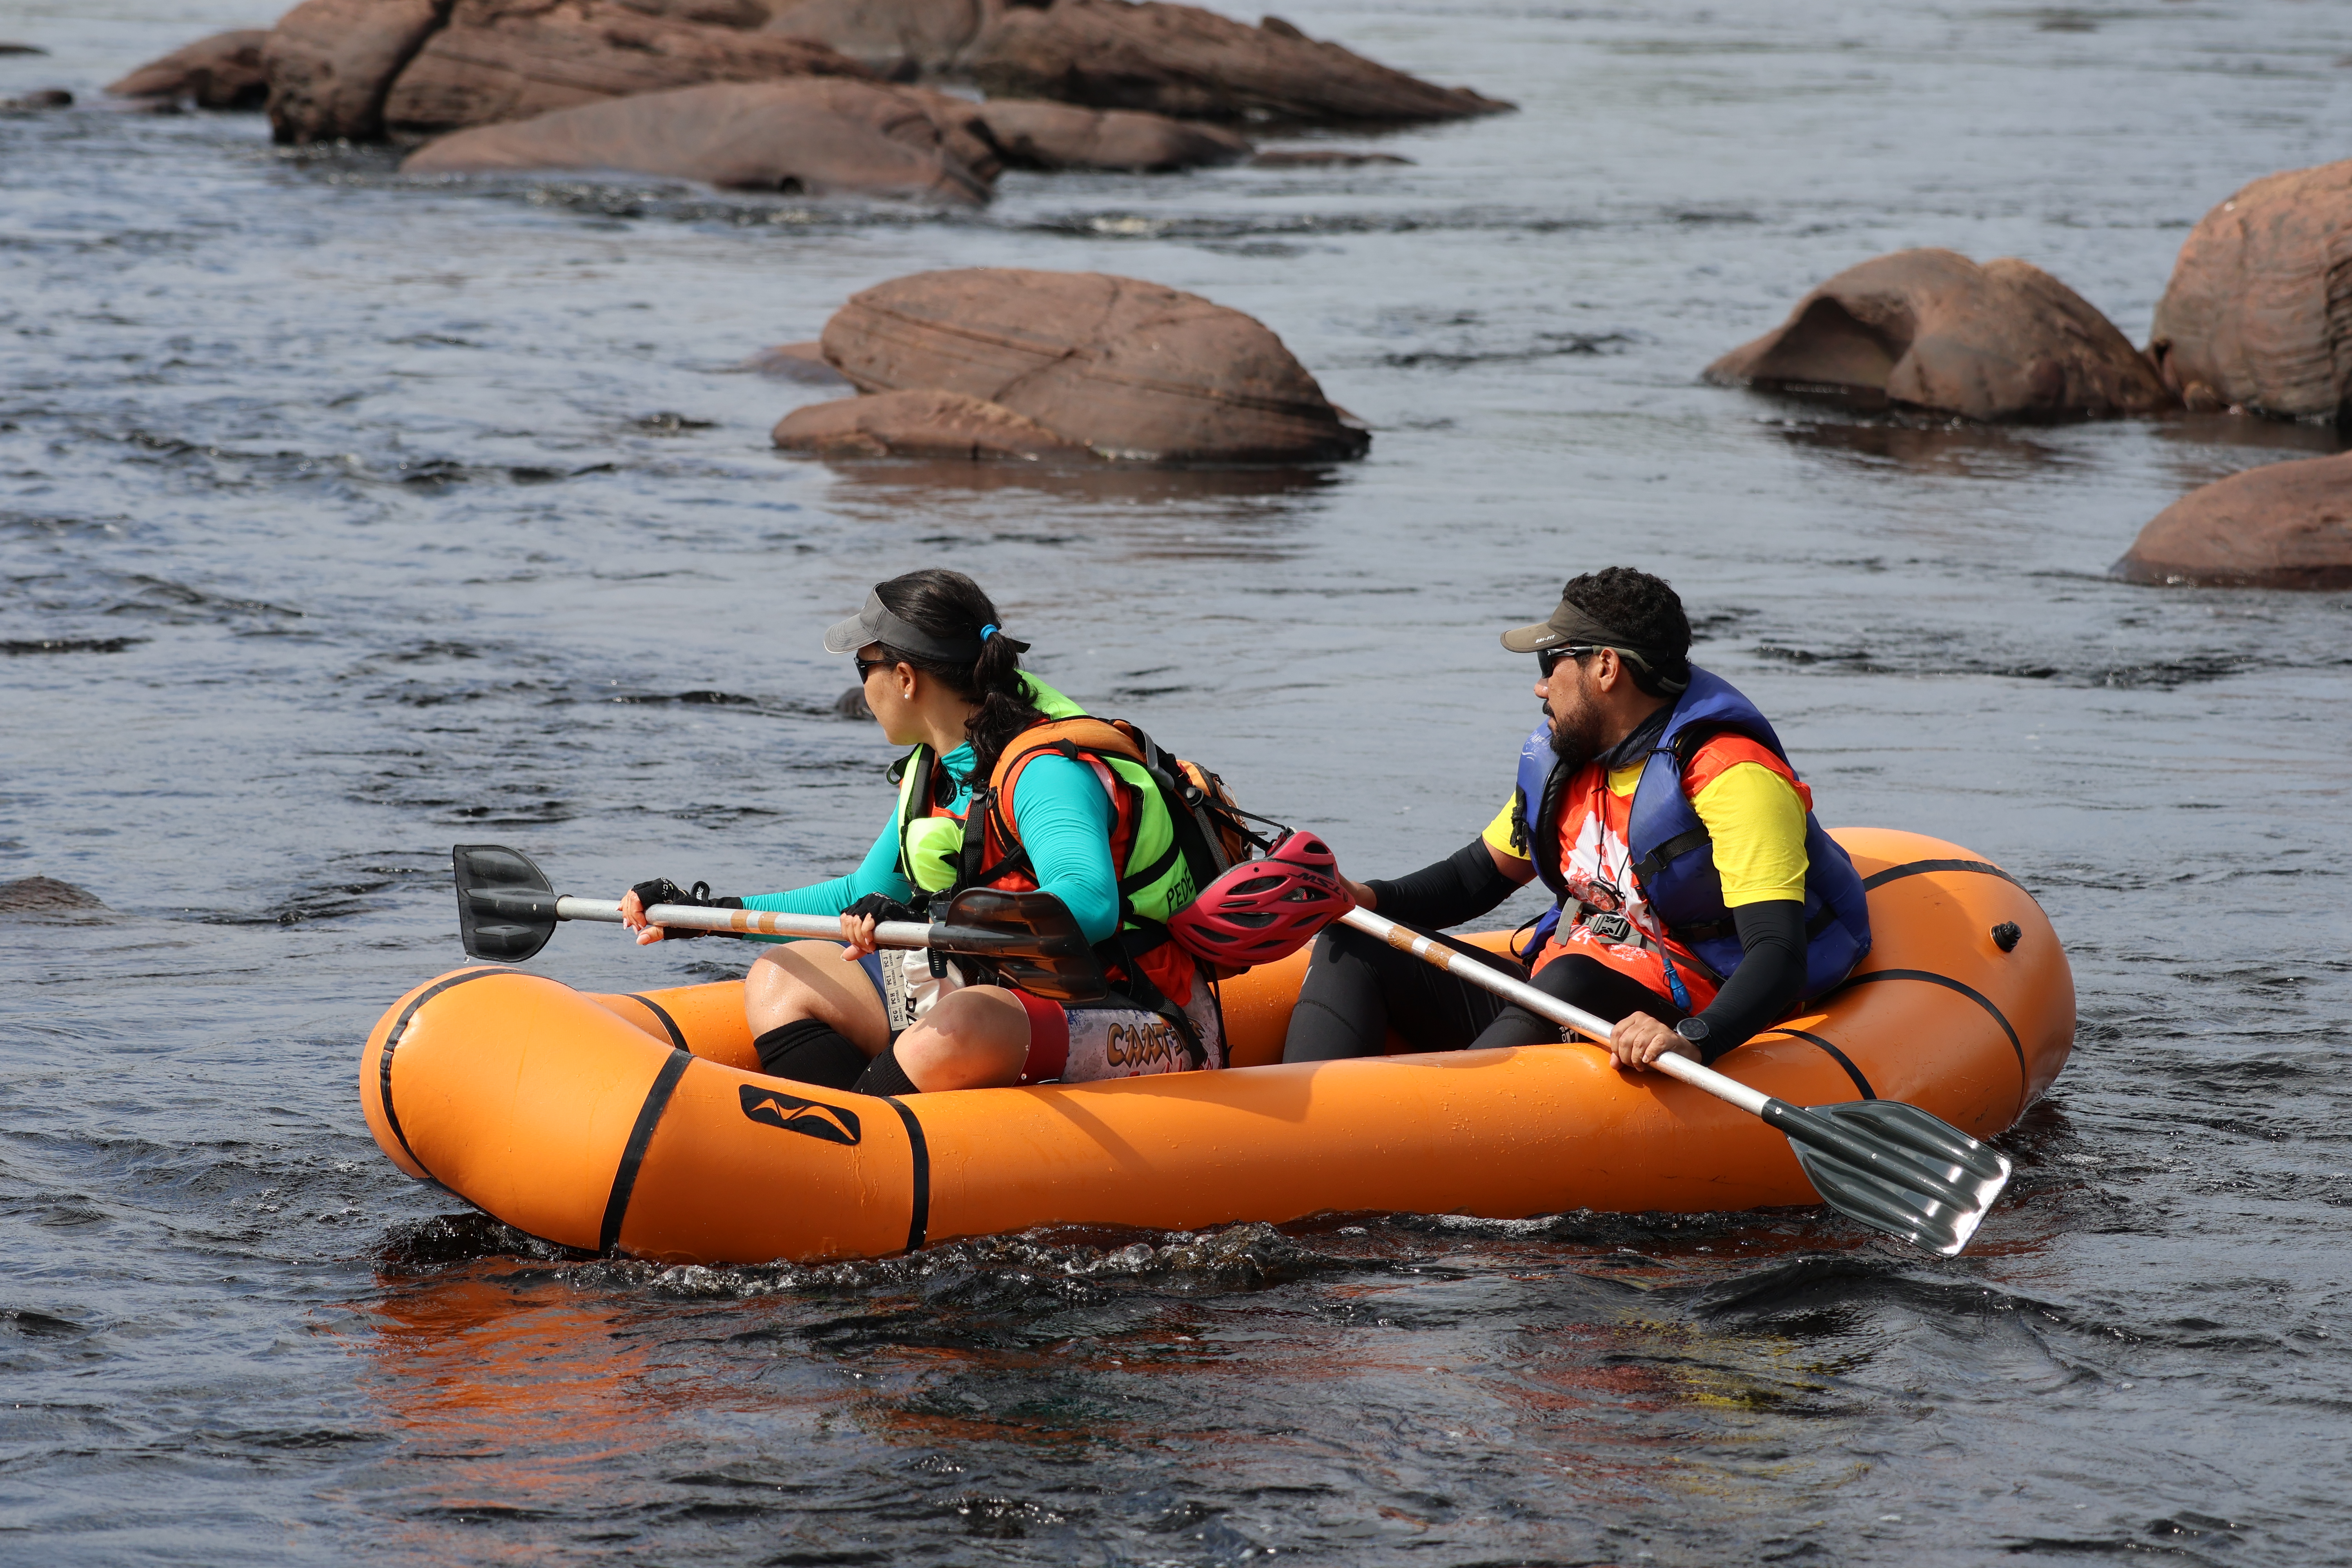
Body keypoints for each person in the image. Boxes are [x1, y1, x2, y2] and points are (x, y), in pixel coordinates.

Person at [621, 569, 1225, 1096]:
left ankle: (854, 1155)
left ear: (906, 678)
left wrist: (939, 916)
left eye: (866, 667)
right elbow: (857, 893)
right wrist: (700, 916)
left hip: (1136, 1012)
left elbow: (1089, 905)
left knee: (964, 1024)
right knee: (780, 978)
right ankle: (846, 1132)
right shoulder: (931, 767)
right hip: (999, 987)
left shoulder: (1044, 772)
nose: (862, 688)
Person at [1281, 566, 1871, 1073]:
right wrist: (1361, 898)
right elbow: (1474, 878)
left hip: (1673, 1007)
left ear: (1606, 668)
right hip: (1561, 990)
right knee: (1353, 942)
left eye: (1551, 661)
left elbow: (1776, 953)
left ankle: (1428, 1135)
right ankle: (1309, 1135)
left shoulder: (1733, 776)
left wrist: (1695, 1039)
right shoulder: (1567, 761)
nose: (1541, 685)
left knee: (1575, 980)